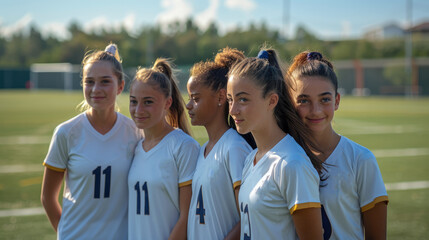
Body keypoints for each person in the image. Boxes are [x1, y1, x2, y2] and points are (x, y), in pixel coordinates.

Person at [41, 43, 142, 239]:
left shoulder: (136, 132)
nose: (96, 89)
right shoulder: (66, 132)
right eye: (89, 82)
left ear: (120, 86)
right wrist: (66, 233)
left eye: (105, 81)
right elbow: (47, 197)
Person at [287, 51, 388, 240]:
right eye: (303, 101)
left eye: (324, 99)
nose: (315, 110)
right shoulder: (284, 159)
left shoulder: (360, 160)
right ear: (291, 104)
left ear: (337, 101)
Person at [227, 49, 325, 240]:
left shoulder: (292, 164)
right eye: (231, 99)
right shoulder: (251, 159)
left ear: (272, 100)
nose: (233, 109)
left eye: (243, 99)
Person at [186, 47, 254, 240]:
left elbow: (250, 215)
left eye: (195, 98)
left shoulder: (234, 148)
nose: (188, 105)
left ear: (220, 97)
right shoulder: (202, 151)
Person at [127, 58, 199, 239]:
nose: (138, 109)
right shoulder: (134, 146)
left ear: (168, 103)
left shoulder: (183, 146)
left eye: (148, 102)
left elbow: (188, 216)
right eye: (133, 101)